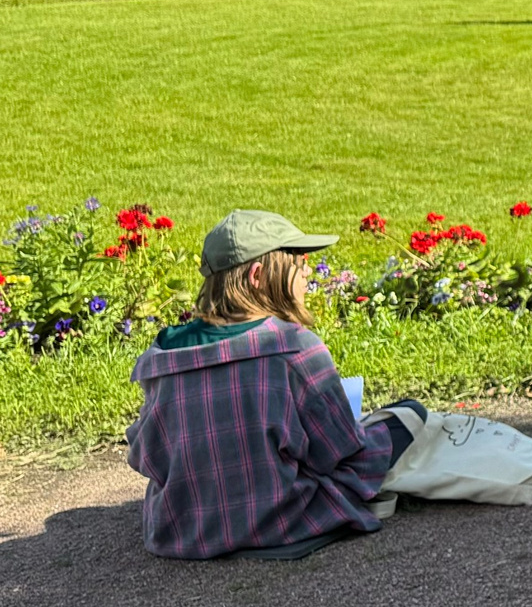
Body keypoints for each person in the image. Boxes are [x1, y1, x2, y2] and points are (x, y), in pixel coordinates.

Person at [126, 210, 411, 559]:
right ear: (258, 275)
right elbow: (339, 450)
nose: (308, 272)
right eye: (299, 261)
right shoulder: (294, 347)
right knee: (407, 418)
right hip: (282, 523)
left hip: (182, 532)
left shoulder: (162, 353)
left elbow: (146, 454)